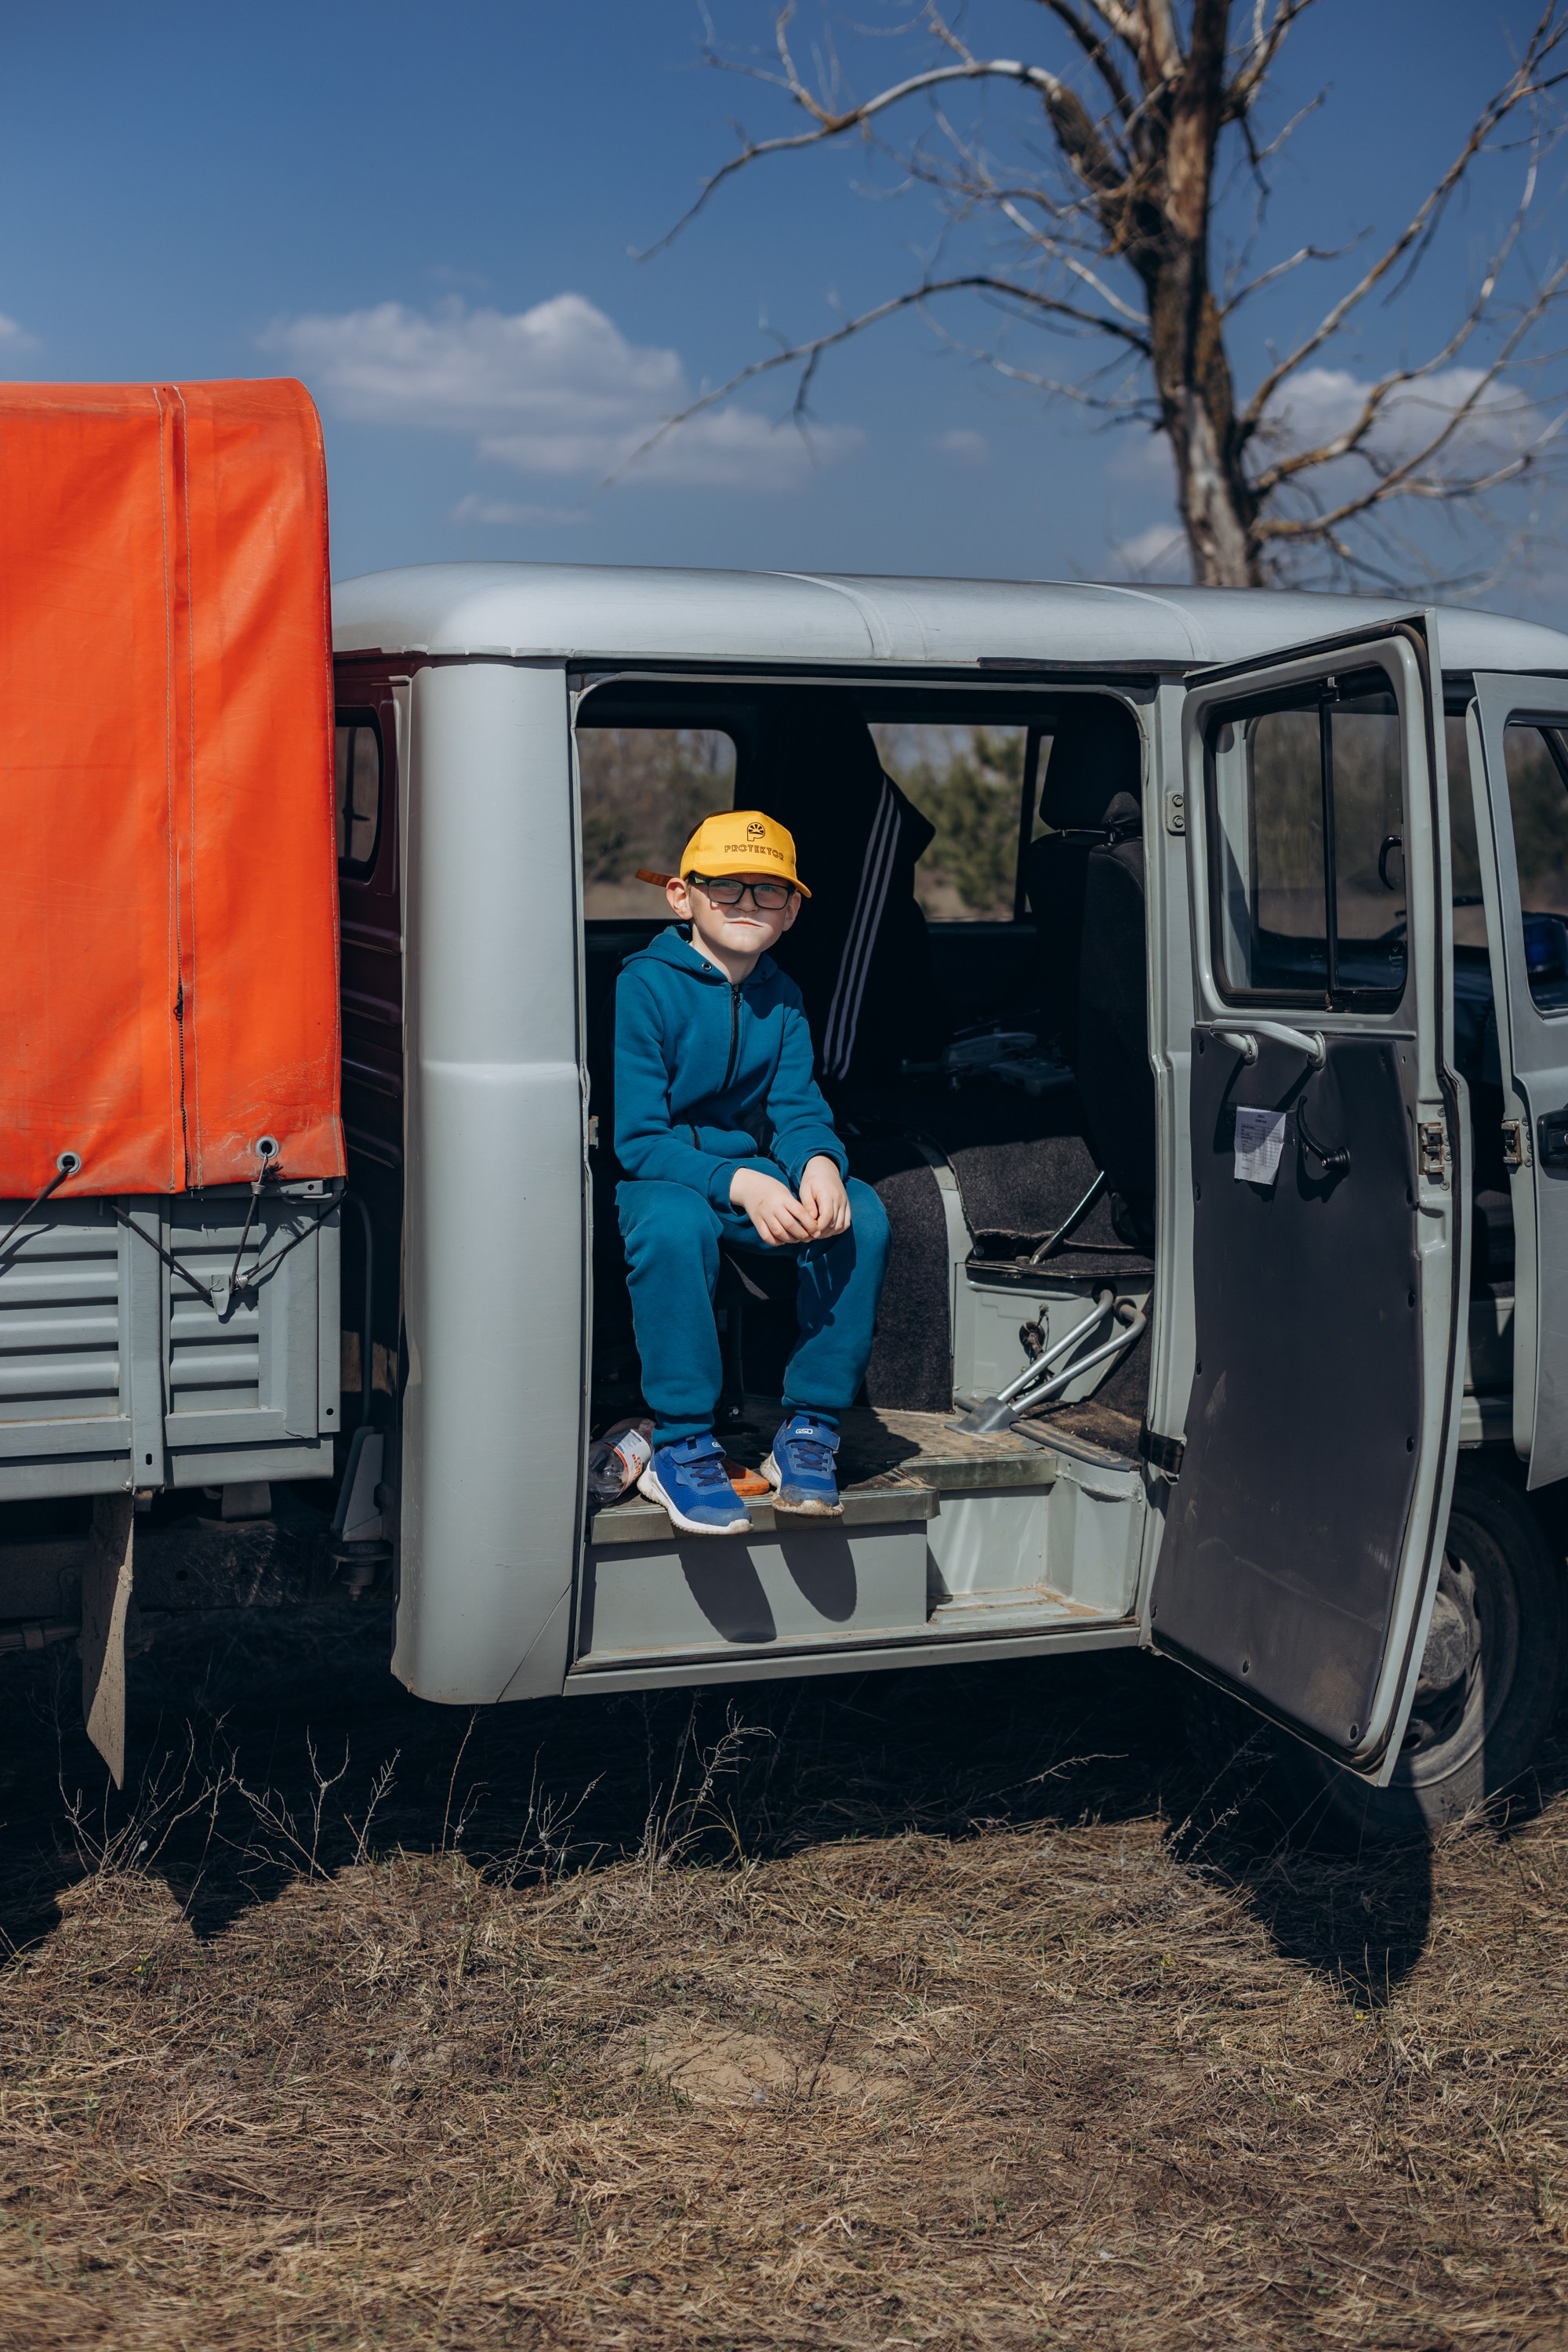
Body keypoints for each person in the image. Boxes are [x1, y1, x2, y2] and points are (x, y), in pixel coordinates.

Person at [614, 811, 891, 1536]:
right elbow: (639, 1139)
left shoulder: (784, 996)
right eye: (724, 886)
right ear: (683, 896)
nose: (745, 903)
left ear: (793, 909)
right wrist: (743, 1183)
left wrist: (821, 1164)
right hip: (667, 1176)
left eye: (769, 891)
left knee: (858, 1210)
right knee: (672, 1225)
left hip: (754, 1173)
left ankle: (808, 1430)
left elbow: (798, 1109)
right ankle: (681, 1444)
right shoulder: (643, 985)